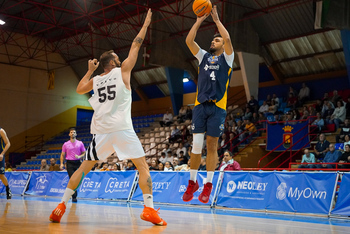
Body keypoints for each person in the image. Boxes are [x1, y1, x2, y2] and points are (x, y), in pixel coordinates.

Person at [49, 10, 166, 226]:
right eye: (118, 59)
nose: (121, 60)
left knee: (84, 169)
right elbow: (136, 45)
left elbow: (79, 87)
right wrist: (146, 24)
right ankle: (149, 209)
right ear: (112, 63)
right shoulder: (122, 72)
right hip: (121, 128)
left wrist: (90, 70)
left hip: (101, 131)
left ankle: (61, 205)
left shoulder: (97, 80)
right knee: (143, 167)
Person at [183, 5, 234, 204]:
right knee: (196, 146)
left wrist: (217, 21)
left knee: (212, 146)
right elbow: (188, 41)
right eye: (213, 39)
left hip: (218, 107)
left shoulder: (227, 59)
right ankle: (192, 182)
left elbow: (228, 39)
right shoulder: (203, 56)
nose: (214, 41)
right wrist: (199, 20)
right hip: (200, 105)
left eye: (217, 39)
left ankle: (208, 185)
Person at [60, 127, 86, 202]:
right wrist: (61, 163)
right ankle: (74, 196)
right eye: (71, 132)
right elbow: (62, 154)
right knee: (72, 179)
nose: (72, 133)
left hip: (78, 163)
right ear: (69, 134)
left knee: (77, 179)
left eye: (74, 132)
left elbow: (84, 153)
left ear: (76, 134)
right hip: (70, 163)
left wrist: (79, 156)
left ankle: (74, 194)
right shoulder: (65, 144)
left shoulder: (80, 143)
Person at [0, 128, 12, 199]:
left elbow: (8, 143)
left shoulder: (1, 131)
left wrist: (2, 154)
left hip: (0, 156)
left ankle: (8, 189)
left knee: (1, 175)